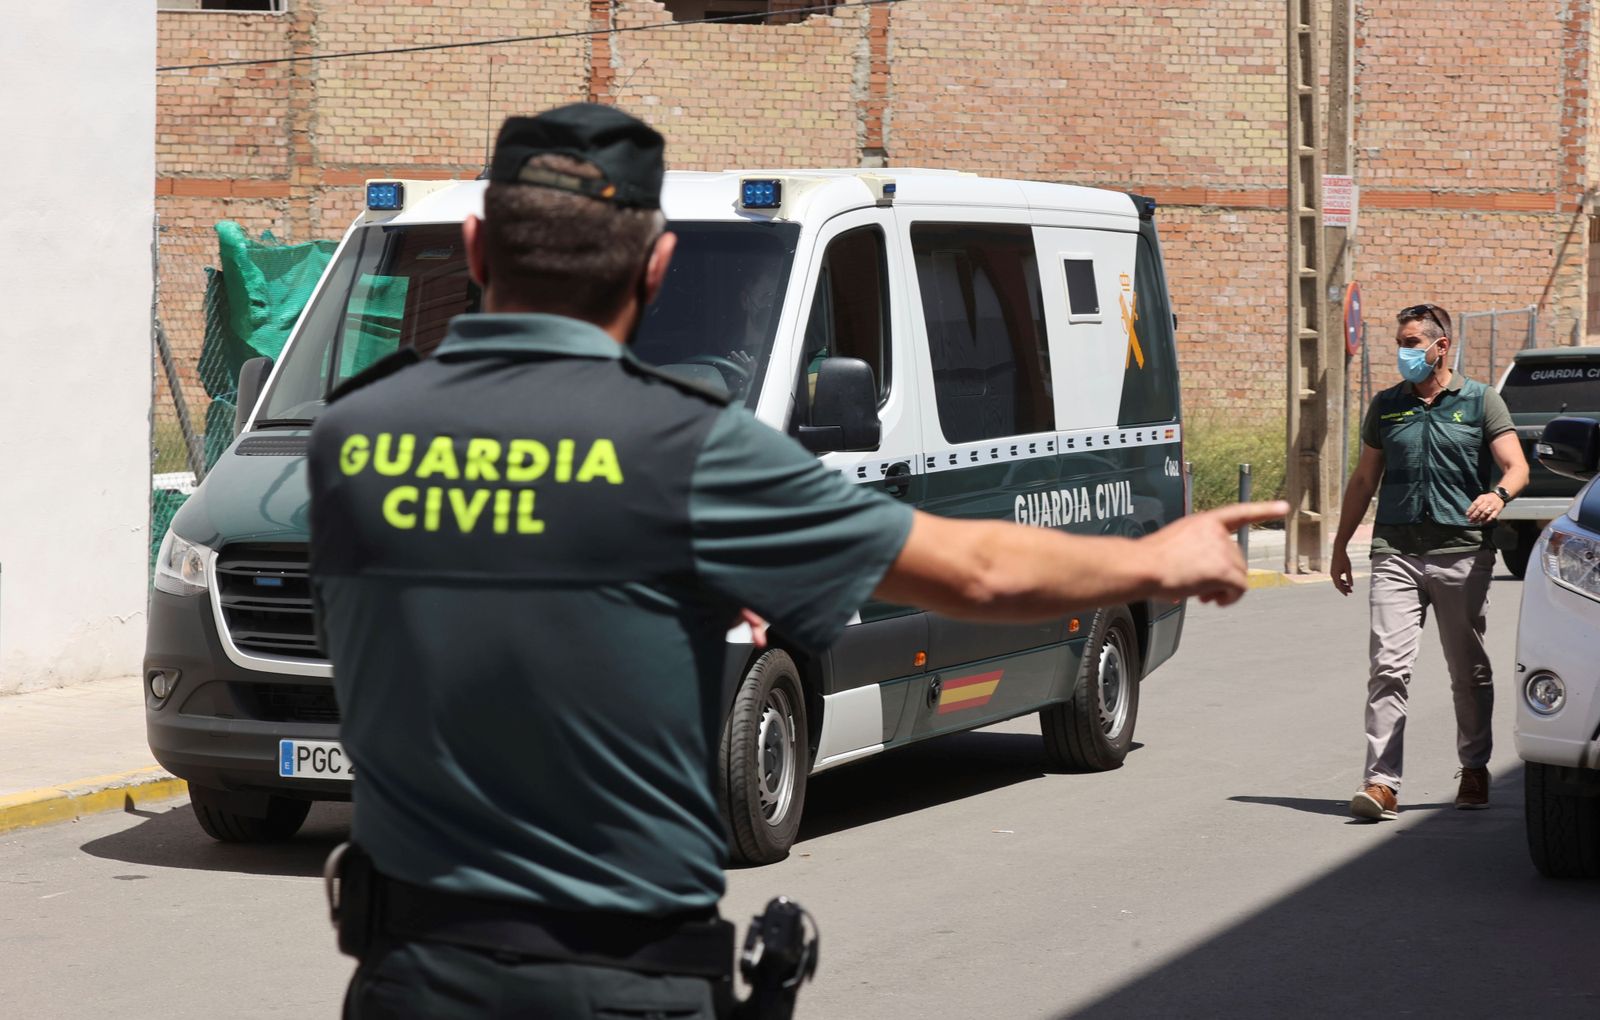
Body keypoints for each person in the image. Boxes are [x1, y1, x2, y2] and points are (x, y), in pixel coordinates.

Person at [306, 102, 1286, 1019]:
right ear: (656, 270)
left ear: (475, 249)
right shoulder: (689, 452)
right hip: (619, 981)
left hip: (409, 980)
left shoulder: (347, 438)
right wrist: (1155, 558)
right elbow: (976, 573)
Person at [1331, 302, 1528, 821]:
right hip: (1395, 551)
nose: (1403, 352)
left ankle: (1474, 767)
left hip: (1462, 552)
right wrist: (1340, 546)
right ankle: (1381, 782)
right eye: (1399, 342)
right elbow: (1362, 481)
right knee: (1388, 667)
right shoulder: (1387, 405)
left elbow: (1516, 466)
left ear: (1441, 347)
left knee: (1467, 670)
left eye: (1412, 343)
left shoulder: (1481, 401)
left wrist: (1499, 495)